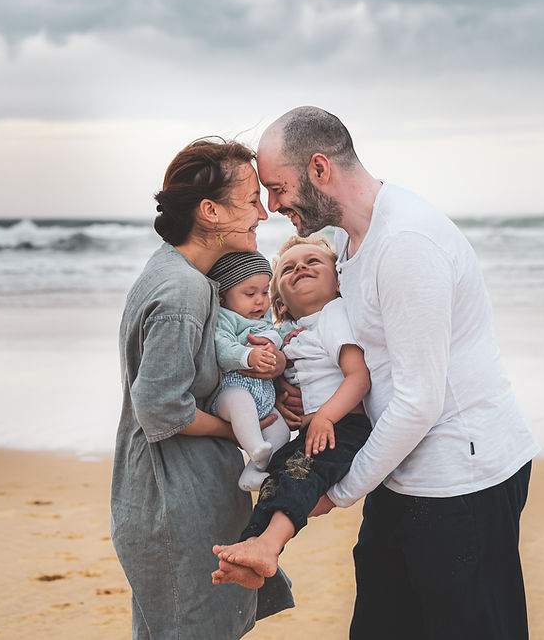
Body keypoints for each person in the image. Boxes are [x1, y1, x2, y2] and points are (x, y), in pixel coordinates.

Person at [253, 107, 541, 639]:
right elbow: (342, 344)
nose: (272, 207)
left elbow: (418, 401)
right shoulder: (341, 242)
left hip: (460, 477)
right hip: (398, 467)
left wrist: (339, 493)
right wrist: (294, 390)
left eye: (277, 188)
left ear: (319, 169)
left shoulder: (407, 244)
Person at [109, 138, 293, 640]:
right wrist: (243, 428)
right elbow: (161, 409)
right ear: (210, 211)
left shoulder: (182, 273)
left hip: (173, 496)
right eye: (252, 199)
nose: (264, 211)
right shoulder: (183, 290)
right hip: (173, 504)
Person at [211, 235, 372, 589]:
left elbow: (359, 377)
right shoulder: (289, 331)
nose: (300, 267)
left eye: (313, 262)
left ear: (338, 281)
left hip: (345, 426)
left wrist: (325, 416)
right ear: (278, 300)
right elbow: (285, 369)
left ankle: (268, 546)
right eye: (287, 269)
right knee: (277, 477)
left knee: (299, 475)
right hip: (316, 429)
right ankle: (253, 548)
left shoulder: (334, 316)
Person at [206, 250, 292, 490]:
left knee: (282, 433)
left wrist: (289, 339)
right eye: (250, 293)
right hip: (230, 394)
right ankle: (254, 446)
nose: (260, 301)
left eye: (265, 292)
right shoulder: (226, 318)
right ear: (223, 297)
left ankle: (252, 473)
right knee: (240, 401)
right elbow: (221, 346)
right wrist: (247, 355)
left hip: (265, 401)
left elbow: (276, 337)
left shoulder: (263, 318)